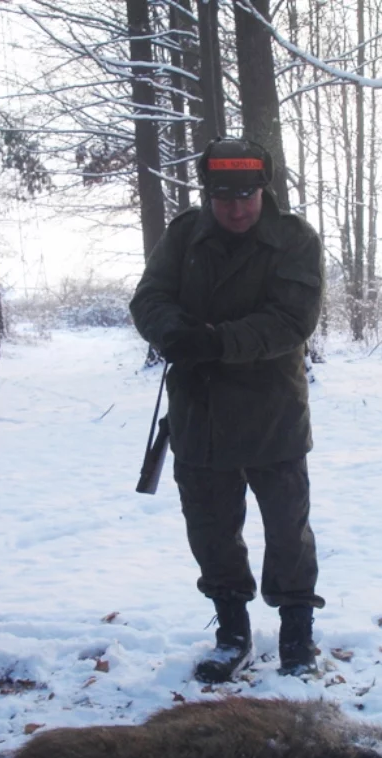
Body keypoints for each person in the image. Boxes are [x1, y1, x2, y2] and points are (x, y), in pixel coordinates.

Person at [129, 137, 326, 684]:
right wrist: (173, 332)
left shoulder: (294, 240)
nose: (236, 208)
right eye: (223, 196)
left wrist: (215, 342)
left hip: (273, 414)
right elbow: (148, 298)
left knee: (288, 529)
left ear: (264, 189)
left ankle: (296, 633)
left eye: (246, 195)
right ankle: (232, 631)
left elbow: (291, 320)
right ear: (207, 193)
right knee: (211, 529)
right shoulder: (185, 235)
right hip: (200, 411)